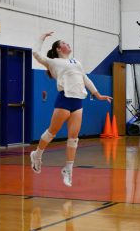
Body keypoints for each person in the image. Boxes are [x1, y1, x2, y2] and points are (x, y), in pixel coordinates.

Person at [30, 32, 112, 187]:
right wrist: (41, 37)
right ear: (59, 49)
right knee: (52, 132)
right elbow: (36, 53)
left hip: (78, 102)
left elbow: (85, 78)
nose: (68, 44)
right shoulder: (53, 62)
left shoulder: (76, 62)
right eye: (64, 43)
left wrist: (98, 94)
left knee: (73, 138)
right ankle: (37, 154)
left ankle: (68, 170)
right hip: (64, 99)